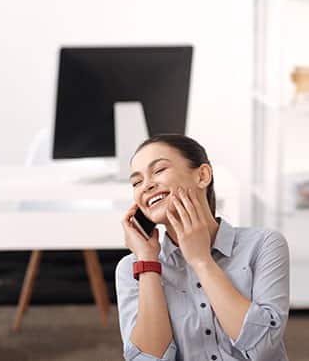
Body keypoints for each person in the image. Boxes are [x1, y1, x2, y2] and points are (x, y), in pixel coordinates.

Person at [115, 134, 289, 361]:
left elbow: (263, 348)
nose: (146, 185)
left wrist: (201, 261)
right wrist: (148, 262)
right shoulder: (131, 269)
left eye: (158, 171)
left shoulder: (264, 244)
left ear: (202, 175)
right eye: (137, 182)